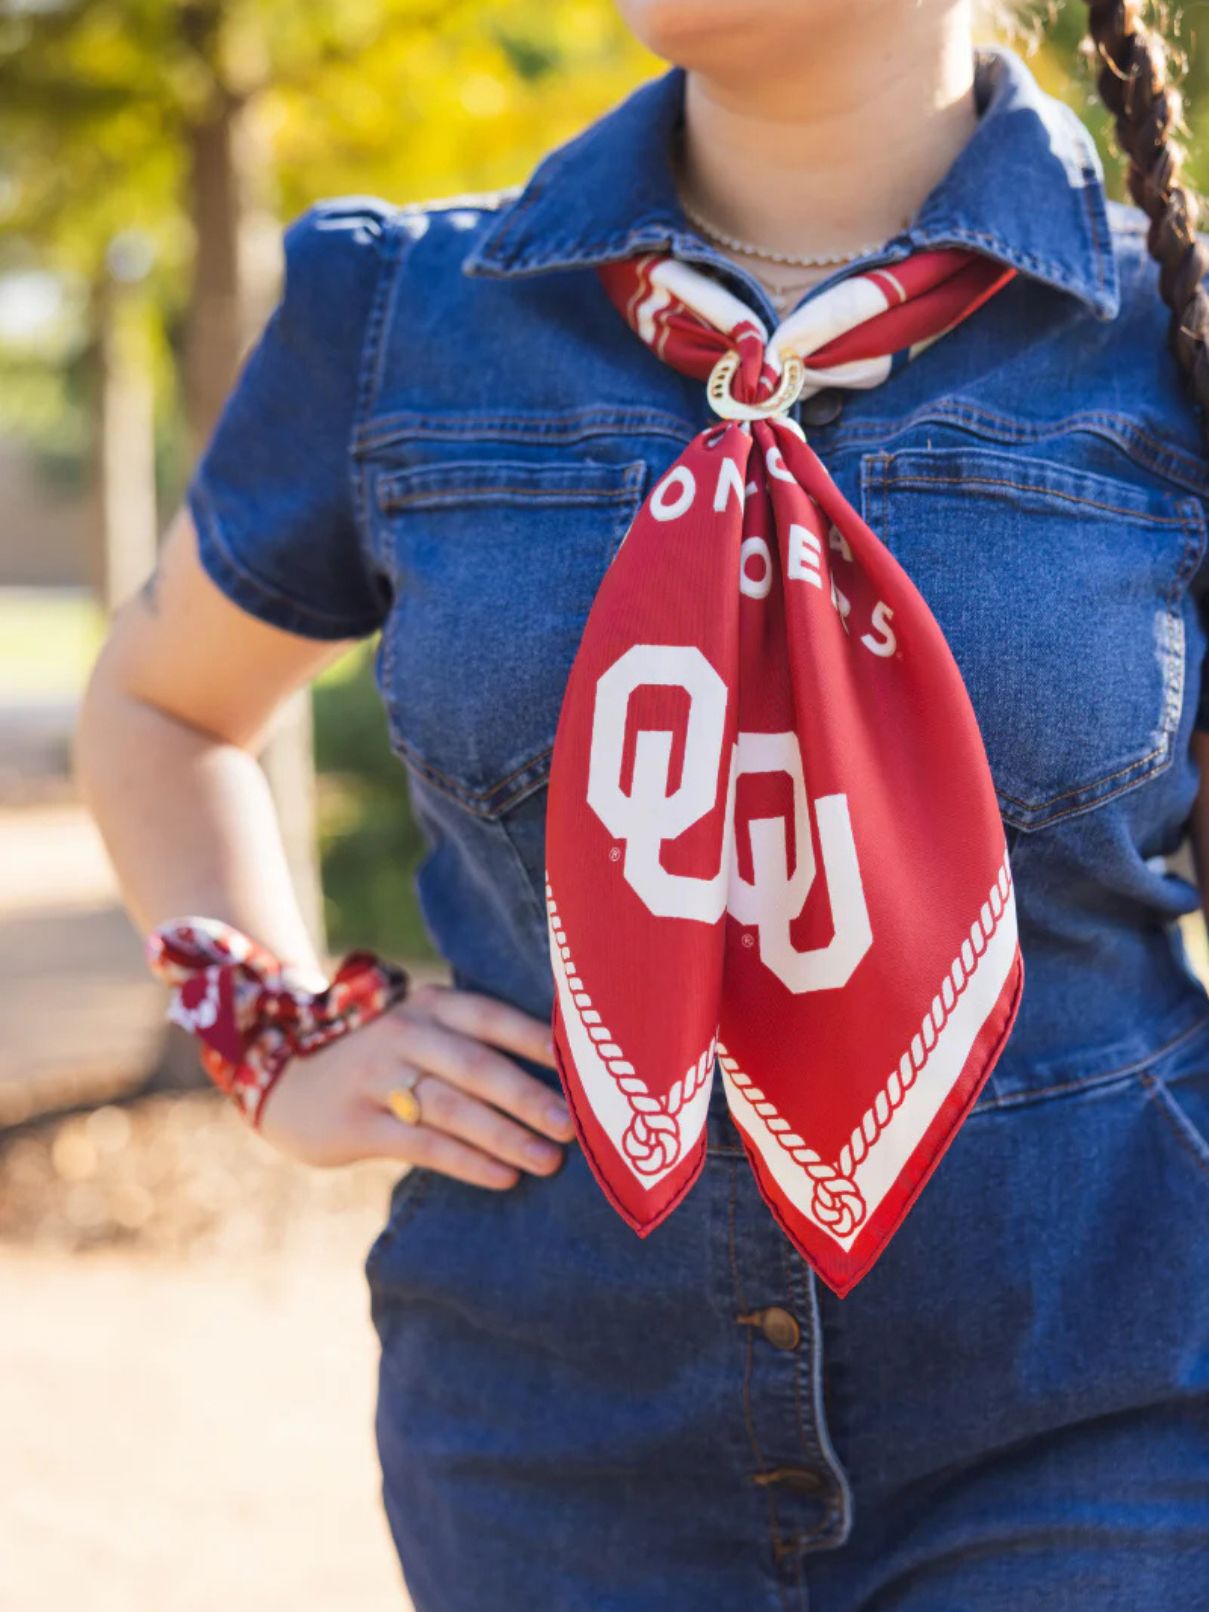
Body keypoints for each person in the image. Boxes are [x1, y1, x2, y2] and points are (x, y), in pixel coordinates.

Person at [75, 0, 1209, 1606]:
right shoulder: (401, 313)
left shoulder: (1171, 332)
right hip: (546, 1446)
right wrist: (273, 1028)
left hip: (1105, 1414)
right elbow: (159, 704)